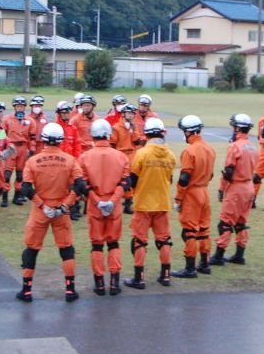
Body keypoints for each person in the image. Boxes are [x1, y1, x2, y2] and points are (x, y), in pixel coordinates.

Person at [15, 123, 86, 303]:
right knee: (66, 248)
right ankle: (70, 290)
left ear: (44, 139)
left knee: (31, 248)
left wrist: (42, 206)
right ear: (61, 140)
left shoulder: (33, 161)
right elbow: (80, 185)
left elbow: (25, 188)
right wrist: (65, 205)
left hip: (40, 210)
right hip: (61, 209)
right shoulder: (70, 160)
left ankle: (26, 290)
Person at [78, 119, 130, 296]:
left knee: (97, 245)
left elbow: (83, 184)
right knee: (113, 243)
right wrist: (112, 201)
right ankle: (114, 283)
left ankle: (99, 284)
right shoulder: (121, 156)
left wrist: (97, 201)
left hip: (95, 206)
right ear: (108, 135)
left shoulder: (85, 157)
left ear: (92, 135)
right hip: (114, 206)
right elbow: (125, 182)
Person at [124, 118, 177, 289]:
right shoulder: (171, 155)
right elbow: (169, 179)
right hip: (162, 203)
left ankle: (139, 278)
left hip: (143, 205)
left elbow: (132, 180)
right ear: (162, 133)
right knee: (164, 240)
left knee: (139, 241)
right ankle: (166, 275)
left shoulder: (141, 154)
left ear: (146, 134)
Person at [209, 114, 258, 266]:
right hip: (249, 187)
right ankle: (239, 255)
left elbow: (229, 172)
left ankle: (218, 256)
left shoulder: (234, 146)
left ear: (237, 128)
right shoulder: (253, 147)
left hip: (236, 188)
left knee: (225, 223)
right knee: (241, 223)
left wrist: (221, 189)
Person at [171, 115, 216, 278]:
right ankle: (205, 264)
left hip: (192, 193)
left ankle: (190, 268)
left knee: (189, 231)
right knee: (204, 230)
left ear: (189, 132)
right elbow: (211, 175)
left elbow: (184, 179)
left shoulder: (189, 151)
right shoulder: (210, 149)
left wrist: (178, 199)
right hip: (204, 191)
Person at [2, 96, 38, 207]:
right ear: (14, 107)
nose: (20, 108)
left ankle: (16, 197)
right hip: (11, 147)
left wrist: (32, 150)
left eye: (22, 106)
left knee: (20, 175)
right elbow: (2, 135)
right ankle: (4, 197)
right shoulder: (7, 119)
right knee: (7, 174)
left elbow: (32, 137)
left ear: (25, 107)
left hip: (23, 148)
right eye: (18, 106)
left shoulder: (30, 121)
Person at [110, 103, 143, 214]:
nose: (131, 115)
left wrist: (133, 130)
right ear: (123, 114)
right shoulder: (116, 127)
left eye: (132, 114)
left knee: (131, 179)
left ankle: (128, 204)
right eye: (129, 113)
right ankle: (116, 201)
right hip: (120, 155)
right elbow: (112, 144)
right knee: (118, 179)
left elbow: (137, 142)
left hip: (132, 155)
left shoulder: (133, 126)